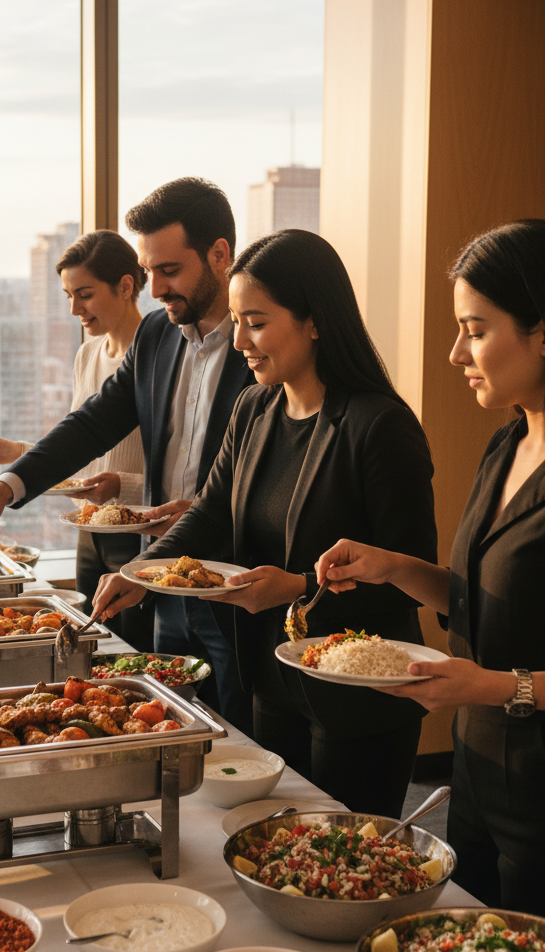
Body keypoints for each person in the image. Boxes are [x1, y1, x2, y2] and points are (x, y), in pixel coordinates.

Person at [315, 219, 545, 952]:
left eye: (474, 330)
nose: (455, 354)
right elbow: (494, 604)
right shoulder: (508, 443)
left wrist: (490, 686)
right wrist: (396, 569)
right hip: (477, 789)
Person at [91, 229, 437, 817]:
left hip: (356, 696)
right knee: (271, 842)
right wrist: (143, 569)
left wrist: (300, 590)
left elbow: (409, 578)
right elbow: (209, 509)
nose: (241, 342)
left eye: (256, 322)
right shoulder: (255, 408)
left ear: (314, 321)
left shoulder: (379, 428)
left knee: (342, 864)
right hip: (270, 675)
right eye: (236, 322)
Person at [0, 178, 256, 734]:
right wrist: (6, 487)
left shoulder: (258, 344)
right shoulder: (159, 337)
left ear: (220, 255)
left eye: (170, 270)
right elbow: (90, 425)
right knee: (164, 730)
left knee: (237, 743)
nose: (156, 288)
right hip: (162, 578)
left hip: (232, 589)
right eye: (150, 271)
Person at [0, 230, 154, 651]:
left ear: (126, 286)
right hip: (89, 531)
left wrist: (121, 486)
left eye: (84, 294)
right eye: (69, 296)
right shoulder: (87, 354)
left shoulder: (160, 359)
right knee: (93, 648)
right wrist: (17, 453)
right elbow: (83, 445)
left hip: (141, 533)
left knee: (133, 650)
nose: (74, 309)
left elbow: (181, 471)